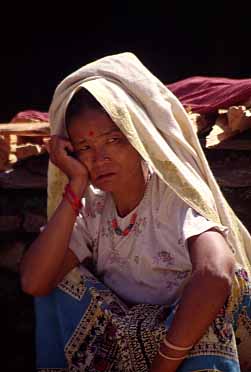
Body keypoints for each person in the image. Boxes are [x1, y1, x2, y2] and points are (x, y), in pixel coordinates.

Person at [20, 52, 251, 372]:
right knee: (58, 278)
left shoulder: (174, 196)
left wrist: (163, 364)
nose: (99, 158)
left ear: (140, 138)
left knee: (213, 299)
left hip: (183, 343)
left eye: (113, 140)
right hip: (125, 336)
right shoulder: (92, 207)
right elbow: (35, 282)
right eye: (85, 148)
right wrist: (75, 187)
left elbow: (215, 273)